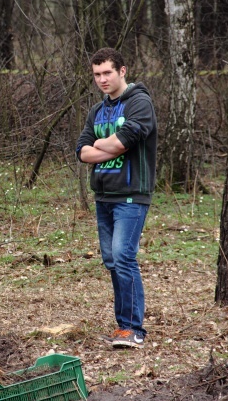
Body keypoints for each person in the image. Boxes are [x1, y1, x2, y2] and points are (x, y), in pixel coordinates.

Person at [76, 47, 157, 349]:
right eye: (97, 74)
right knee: (112, 261)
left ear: (122, 71)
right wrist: (103, 146)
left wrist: (105, 146)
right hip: (104, 196)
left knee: (124, 256)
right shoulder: (97, 111)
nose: (102, 79)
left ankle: (134, 329)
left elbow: (125, 141)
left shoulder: (140, 102)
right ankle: (122, 326)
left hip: (131, 196)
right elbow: (82, 151)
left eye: (107, 72)